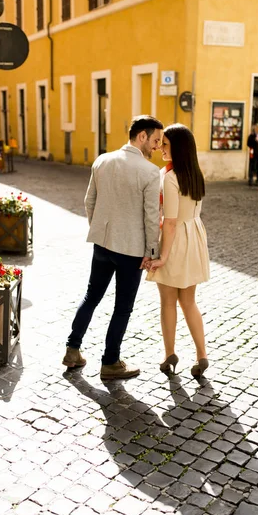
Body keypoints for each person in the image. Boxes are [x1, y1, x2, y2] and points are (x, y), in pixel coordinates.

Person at [63, 115, 163, 380]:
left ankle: (72, 350)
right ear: (141, 136)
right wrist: (152, 252)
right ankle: (110, 362)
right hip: (132, 251)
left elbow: (89, 201)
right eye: (155, 141)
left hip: (103, 244)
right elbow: (152, 216)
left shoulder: (102, 160)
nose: (156, 147)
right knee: (122, 308)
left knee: (91, 297)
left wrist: (100, 230)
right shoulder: (150, 173)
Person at [146, 124, 210, 378]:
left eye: (166, 144)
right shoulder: (195, 173)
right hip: (194, 236)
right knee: (189, 301)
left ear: (178, 148)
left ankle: (170, 354)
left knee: (168, 301)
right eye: (161, 143)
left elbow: (170, 221)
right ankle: (202, 354)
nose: (160, 147)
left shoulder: (170, 177)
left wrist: (162, 256)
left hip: (175, 240)